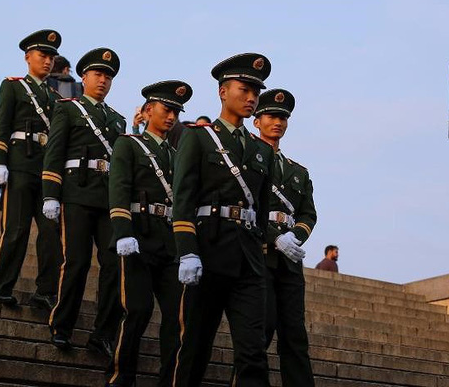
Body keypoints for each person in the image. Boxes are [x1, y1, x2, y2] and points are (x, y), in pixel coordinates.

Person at [169, 53, 274, 387]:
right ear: (222, 91)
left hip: (248, 260)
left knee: (253, 352)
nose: (251, 97)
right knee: (195, 345)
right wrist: (187, 250)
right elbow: (183, 199)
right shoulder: (198, 138)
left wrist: (262, 251)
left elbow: (262, 209)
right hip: (208, 251)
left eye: (255, 92)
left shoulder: (262, 151)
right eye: (244, 89)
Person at [106, 80, 193, 387]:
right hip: (138, 238)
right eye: (166, 109)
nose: (171, 117)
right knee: (138, 311)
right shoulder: (128, 144)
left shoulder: (177, 154)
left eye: (176, 112)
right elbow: (119, 189)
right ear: (147, 110)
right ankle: (121, 376)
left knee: (176, 318)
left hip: (169, 243)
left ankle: (168, 381)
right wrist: (122, 231)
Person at [41, 48, 126, 355]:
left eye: (108, 77)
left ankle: (102, 333)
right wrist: (51, 193)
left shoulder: (117, 120)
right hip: (76, 192)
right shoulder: (68, 109)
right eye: (98, 74)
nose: (103, 81)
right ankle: (62, 326)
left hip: (106, 199)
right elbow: (55, 151)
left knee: (114, 265)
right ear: (84, 77)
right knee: (76, 262)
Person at [0, 29, 63, 312]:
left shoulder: (56, 98)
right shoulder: (13, 86)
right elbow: (2, 124)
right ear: (28, 57)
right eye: (43, 55)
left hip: (46, 172)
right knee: (16, 229)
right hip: (19, 165)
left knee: (50, 233)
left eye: (52, 57)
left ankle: (46, 291)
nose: (48, 61)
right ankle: (1, 287)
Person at [252, 88, 317, 387]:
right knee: (260, 330)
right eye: (270, 116)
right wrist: (274, 237)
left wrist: (295, 237)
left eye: (282, 118)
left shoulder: (297, 171)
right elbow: (245, 207)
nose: (277, 122)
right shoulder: (246, 160)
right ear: (257, 121)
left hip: (289, 261)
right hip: (258, 253)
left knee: (295, 335)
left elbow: (308, 214)